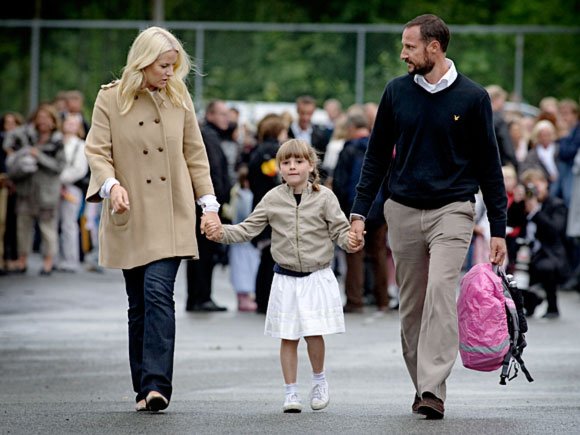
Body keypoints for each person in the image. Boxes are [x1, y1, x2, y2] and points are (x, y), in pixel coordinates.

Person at [349, 14, 507, 420]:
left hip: (453, 209)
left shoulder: (473, 97)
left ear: (433, 47)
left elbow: (489, 165)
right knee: (412, 307)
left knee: (440, 292)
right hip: (402, 209)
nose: (403, 54)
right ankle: (422, 385)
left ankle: (433, 388)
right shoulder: (396, 92)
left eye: (410, 46)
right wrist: (359, 212)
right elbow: (376, 157)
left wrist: (498, 229)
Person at [83, 26, 220, 412]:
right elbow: (97, 151)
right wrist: (110, 185)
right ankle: (142, 388)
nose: (169, 73)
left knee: (159, 293)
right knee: (138, 303)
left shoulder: (179, 97)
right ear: (142, 62)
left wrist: (208, 204)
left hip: (173, 213)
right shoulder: (110, 98)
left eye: (173, 66)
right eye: (163, 66)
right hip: (130, 212)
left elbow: (195, 154)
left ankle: (157, 385)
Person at [205, 139, 362, 413]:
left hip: (316, 276)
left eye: (298, 161)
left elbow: (339, 231)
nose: (292, 167)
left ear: (311, 165)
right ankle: (291, 392)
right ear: (279, 168)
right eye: (286, 162)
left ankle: (319, 381)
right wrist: (220, 233)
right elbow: (247, 229)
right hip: (285, 277)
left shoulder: (325, 197)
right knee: (288, 337)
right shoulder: (272, 198)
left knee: (313, 333)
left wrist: (351, 241)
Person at [333, 111, 389, 312]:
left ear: (351, 128)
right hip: (380, 208)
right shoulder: (381, 146)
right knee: (379, 254)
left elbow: (340, 182)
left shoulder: (348, 149)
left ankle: (355, 300)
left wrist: (340, 209)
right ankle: (382, 299)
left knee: (354, 253)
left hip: (354, 209)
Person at [4, 104, 66, 275]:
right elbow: (9, 142)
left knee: (47, 229)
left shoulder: (57, 141)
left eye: (46, 118)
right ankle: (22, 260)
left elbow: (59, 166)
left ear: (53, 121)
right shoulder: (27, 136)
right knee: (23, 226)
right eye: (40, 117)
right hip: (26, 190)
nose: (43, 121)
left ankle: (48, 262)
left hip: (47, 192)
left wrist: (38, 155)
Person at [185, 99, 231, 312]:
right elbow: (212, 171)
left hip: (204, 202)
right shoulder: (209, 136)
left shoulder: (211, 135)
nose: (226, 118)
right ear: (210, 115)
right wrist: (216, 200)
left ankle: (199, 297)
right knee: (204, 252)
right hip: (207, 204)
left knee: (202, 252)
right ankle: (201, 297)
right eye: (222, 114)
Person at [520, 169, 569, 318]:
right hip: (525, 250)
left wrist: (536, 212)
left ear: (545, 184)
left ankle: (552, 306)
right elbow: (512, 223)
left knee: (545, 267)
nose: (534, 190)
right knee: (515, 269)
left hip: (550, 252)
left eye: (537, 185)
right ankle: (531, 302)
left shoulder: (556, 205)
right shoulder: (524, 204)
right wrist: (518, 203)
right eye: (530, 187)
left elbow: (555, 230)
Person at [56, 114, 88, 272]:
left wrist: (59, 180)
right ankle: (55, 258)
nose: (70, 125)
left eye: (74, 123)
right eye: (68, 122)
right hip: (52, 188)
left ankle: (71, 259)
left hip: (71, 188)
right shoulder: (57, 142)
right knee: (53, 224)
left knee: (69, 224)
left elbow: (79, 170)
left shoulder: (81, 145)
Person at [0, 112, 24, 274]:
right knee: (2, 223)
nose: (10, 126)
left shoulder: (21, 143)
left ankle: (12, 258)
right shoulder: (2, 142)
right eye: (7, 123)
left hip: (18, 188)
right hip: (3, 186)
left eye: (13, 123)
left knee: (13, 224)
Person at [288, 95, 330, 161]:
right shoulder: (287, 132)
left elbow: (321, 159)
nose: (306, 117)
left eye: (309, 113)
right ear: (297, 111)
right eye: (302, 113)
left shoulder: (320, 135)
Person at [486, 85, 518, 170]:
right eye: (503, 100)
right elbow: (507, 146)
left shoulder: (478, 116)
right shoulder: (499, 121)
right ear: (496, 99)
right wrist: (515, 164)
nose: (504, 104)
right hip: (498, 164)